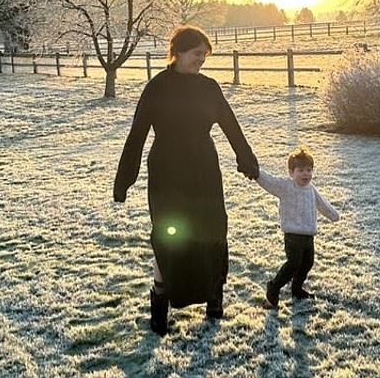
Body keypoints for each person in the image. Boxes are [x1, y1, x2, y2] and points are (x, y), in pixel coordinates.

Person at [113, 26, 258, 336]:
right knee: (169, 236)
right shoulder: (156, 88)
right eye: (196, 55)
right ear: (177, 52)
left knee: (212, 230)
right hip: (167, 172)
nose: (201, 61)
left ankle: (214, 298)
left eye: (205, 56)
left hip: (204, 170)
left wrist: (246, 158)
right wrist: (125, 178)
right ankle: (160, 307)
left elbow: (231, 125)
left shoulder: (210, 88)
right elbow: (137, 134)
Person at [255, 146, 339, 308]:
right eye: (300, 170)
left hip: (308, 235)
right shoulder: (286, 187)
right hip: (292, 235)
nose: (306, 174)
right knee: (293, 263)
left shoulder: (311, 189)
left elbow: (323, 204)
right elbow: (269, 181)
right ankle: (273, 287)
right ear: (291, 172)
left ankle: (297, 288)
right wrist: (256, 172)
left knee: (307, 263)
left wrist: (333, 215)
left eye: (309, 170)